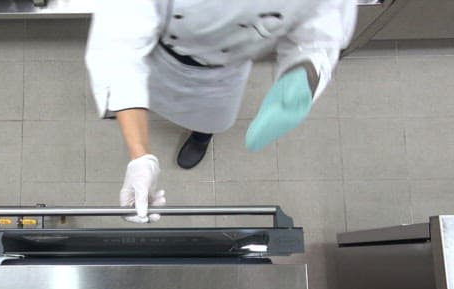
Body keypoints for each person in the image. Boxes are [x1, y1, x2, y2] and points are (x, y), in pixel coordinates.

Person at [85, 0, 358, 223]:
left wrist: (304, 73)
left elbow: (319, 34)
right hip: (159, 55)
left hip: (224, 72)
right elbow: (120, 46)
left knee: (211, 119)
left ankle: (201, 136)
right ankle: (129, 113)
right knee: (130, 93)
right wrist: (140, 157)